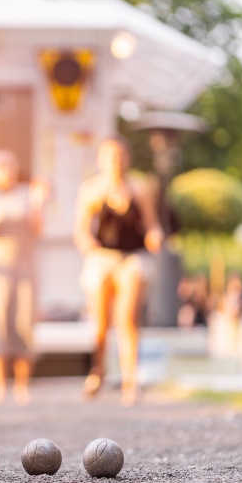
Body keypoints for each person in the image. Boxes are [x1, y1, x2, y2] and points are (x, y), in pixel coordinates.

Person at [74, 138, 164, 406]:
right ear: (101, 159)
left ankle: (130, 381)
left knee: (127, 321)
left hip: (131, 258)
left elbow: (151, 224)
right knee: (100, 325)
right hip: (102, 257)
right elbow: (80, 230)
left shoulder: (140, 188)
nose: (116, 161)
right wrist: (88, 245)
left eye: (121, 155)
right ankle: (98, 371)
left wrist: (155, 236)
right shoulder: (91, 190)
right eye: (111, 156)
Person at [0, 150, 48, 406]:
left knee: (24, 326)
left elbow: (37, 229)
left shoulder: (28, 194)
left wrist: (39, 203)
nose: (5, 171)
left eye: (8, 166)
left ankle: (22, 387)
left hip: (24, 267)